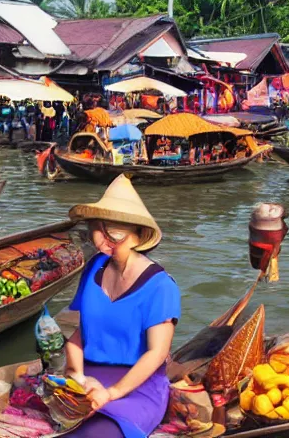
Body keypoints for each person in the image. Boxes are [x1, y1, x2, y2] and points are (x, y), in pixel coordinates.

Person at [64, 175, 180, 438]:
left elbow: (157, 354)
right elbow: (73, 327)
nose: (106, 241)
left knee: (94, 434)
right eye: (100, 230)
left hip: (137, 387)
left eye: (115, 233)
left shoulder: (161, 286)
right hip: (87, 378)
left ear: (138, 237)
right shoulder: (94, 267)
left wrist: (111, 393)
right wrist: (78, 376)